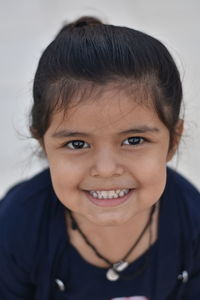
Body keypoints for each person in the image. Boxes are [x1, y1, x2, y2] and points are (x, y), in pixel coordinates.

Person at [0, 16, 200, 300]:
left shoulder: (191, 220)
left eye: (134, 140)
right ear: (44, 144)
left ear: (173, 141)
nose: (106, 170)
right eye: (77, 143)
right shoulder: (17, 225)